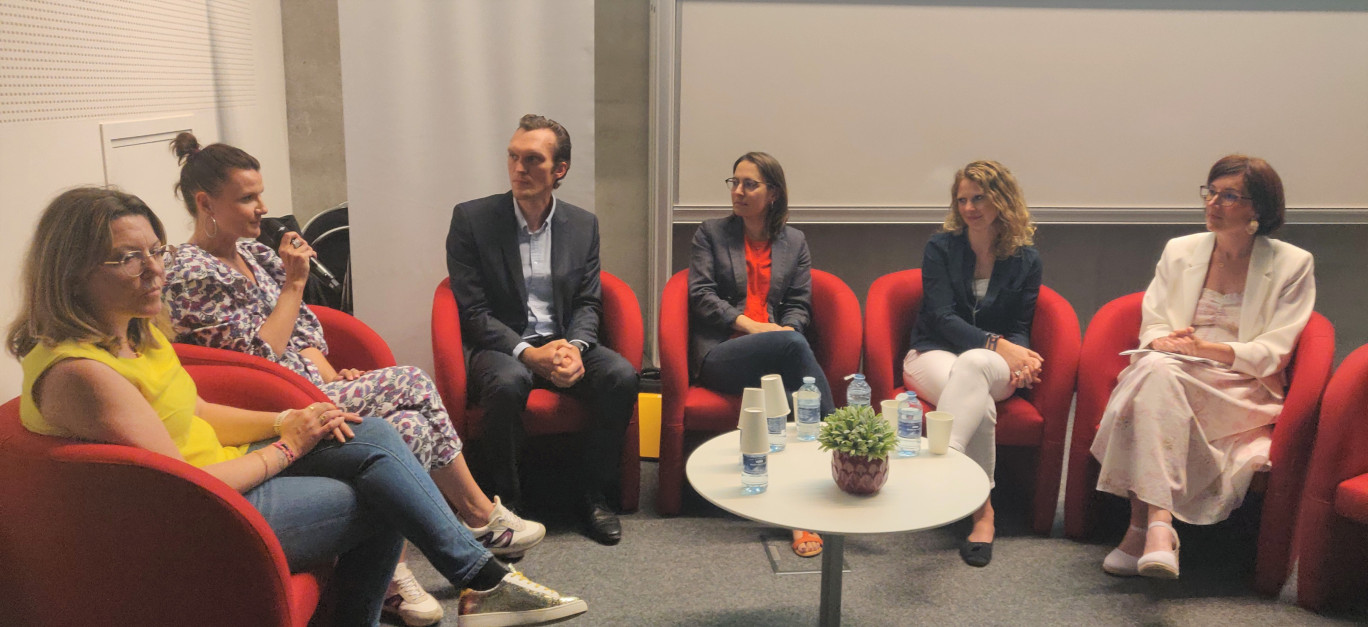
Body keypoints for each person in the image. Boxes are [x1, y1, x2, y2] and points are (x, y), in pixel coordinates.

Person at [7, 187, 587, 627]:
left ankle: (479, 576)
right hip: (199, 518)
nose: (156, 269)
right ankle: (479, 573)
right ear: (72, 272)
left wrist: (288, 419)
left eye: (155, 250)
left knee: (378, 434)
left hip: (225, 476)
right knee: (381, 493)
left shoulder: (133, 331)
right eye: (126, 258)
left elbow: (197, 411)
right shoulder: (83, 374)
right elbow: (188, 486)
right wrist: (290, 445)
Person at [160, 134, 544, 626]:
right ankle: (477, 516)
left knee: (410, 427)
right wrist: (295, 283)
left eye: (260, 193)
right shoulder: (191, 270)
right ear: (205, 203)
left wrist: (333, 372)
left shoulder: (254, 255)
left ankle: (393, 576)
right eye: (247, 197)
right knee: (410, 381)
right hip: (276, 399)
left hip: (310, 383)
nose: (263, 207)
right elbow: (255, 357)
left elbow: (303, 334)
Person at [1091, 155, 1315, 579]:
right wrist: (1164, 341)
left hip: (1239, 385)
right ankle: (1159, 527)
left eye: (1229, 195)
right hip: (1174, 367)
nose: (1213, 202)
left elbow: (1274, 350)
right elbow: (1154, 318)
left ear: (1258, 209)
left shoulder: (1292, 264)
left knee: (1151, 379)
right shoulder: (1181, 251)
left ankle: (1142, 528)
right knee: (1157, 370)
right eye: (1210, 192)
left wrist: (1207, 350)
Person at [445, 114, 638, 546]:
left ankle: (592, 495)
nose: (518, 169)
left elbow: (590, 300)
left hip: (563, 339)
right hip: (502, 344)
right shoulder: (472, 220)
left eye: (532, 160)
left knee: (621, 375)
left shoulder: (583, 225)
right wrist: (528, 354)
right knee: (508, 382)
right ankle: (507, 506)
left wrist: (573, 347)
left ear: (560, 170)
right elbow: (472, 311)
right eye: (513, 157)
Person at [688, 151, 835, 558]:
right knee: (790, 347)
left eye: (749, 184)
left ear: (773, 193)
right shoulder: (711, 234)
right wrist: (755, 328)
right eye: (734, 182)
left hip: (776, 352)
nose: (738, 191)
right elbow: (701, 297)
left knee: (790, 359)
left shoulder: (795, 242)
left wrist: (787, 331)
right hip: (722, 354)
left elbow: (799, 305)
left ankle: (799, 508)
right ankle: (843, 447)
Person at [901, 160, 1043, 568]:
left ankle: (940, 464)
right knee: (974, 394)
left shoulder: (1026, 258)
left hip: (993, 363)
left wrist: (1020, 359)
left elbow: (1020, 325)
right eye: (962, 199)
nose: (969, 208)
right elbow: (943, 318)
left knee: (977, 365)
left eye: (979, 198)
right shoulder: (941, 247)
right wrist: (1001, 347)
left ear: (1002, 198)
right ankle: (984, 514)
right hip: (933, 352)